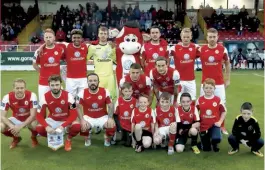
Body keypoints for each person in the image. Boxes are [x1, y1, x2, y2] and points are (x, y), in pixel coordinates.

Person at [36, 75, 80, 151]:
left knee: (77, 126)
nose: (55, 87)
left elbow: (74, 114)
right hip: (53, 120)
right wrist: (46, 126)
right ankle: (52, 137)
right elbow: (39, 115)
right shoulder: (45, 97)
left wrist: (63, 126)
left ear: (61, 84)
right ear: (49, 85)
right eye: (52, 85)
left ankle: (68, 139)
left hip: (66, 120)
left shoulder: (68, 96)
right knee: (39, 128)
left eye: (57, 85)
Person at [199, 28, 230, 135]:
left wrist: (228, 79)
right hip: (205, 83)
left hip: (219, 83)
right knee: (202, 105)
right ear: (206, 38)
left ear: (217, 37)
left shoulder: (223, 49)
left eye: (214, 37)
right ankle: (202, 126)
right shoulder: (201, 49)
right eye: (210, 37)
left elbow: (227, 63)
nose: (212, 39)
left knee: (222, 105)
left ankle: (222, 127)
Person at [76, 73, 116, 147]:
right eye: (90, 81)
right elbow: (77, 107)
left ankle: (107, 138)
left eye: (95, 80)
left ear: (98, 82)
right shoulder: (82, 93)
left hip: (102, 117)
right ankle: (87, 138)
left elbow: (111, 105)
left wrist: (110, 118)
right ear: (87, 82)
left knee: (112, 126)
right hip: (88, 117)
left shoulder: (105, 91)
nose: (93, 83)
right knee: (80, 126)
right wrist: (82, 119)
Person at [1, 79, 39, 149]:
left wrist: (20, 126)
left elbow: (33, 115)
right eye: (17, 88)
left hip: (29, 118)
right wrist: (12, 126)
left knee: (35, 125)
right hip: (16, 118)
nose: (19, 90)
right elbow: (2, 116)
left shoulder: (32, 95)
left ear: (25, 88)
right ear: (13, 89)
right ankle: (16, 138)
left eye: (22, 88)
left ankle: (33, 137)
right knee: (1, 126)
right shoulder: (7, 97)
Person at [32, 28, 65, 101]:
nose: (48, 39)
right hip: (43, 83)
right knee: (42, 103)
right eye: (46, 37)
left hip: (56, 82)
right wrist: (43, 73)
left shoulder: (60, 49)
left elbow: (66, 58)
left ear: (54, 38)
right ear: (43, 38)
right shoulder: (39, 51)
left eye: (50, 37)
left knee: (59, 103)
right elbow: (34, 65)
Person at [171, 28, 200, 105]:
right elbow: (165, 56)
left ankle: (191, 116)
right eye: (184, 37)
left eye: (188, 37)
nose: (186, 39)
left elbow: (206, 55)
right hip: (179, 80)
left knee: (192, 101)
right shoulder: (174, 48)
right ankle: (178, 117)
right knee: (178, 102)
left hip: (191, 80)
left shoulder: (196, 47)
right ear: (181, 37)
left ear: (191, 37)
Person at [196, 78, 227, 152]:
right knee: (206, 149)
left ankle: (214, 142)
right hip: (203, 127)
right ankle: (203, 143)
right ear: (203, 88)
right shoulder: (199, 100)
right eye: (206, 88)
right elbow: (195, 112)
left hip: (214, 126)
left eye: (211, 88)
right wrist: (197, 123)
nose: (208, 90)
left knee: (217, 138)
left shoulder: (218, 100)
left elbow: (224, 111)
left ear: (214, 88)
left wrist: (220, 122)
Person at [87, 26, 117, 101]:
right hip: (98, 77)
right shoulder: (92, 48)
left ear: (107, 35)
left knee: (111, 99)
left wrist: (113, 49)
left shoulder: (111, 47)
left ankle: (110, 113)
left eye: (105, 33)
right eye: (101, 33)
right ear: (98, 35)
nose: (103, 35)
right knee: (98, 99)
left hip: (110, 77)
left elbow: (116, 61)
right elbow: (86, 59)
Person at [59, 29, 89, 98]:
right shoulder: (66, 46)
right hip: (70, 79)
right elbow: (52, 43)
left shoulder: (86, 47)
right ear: (71, 38)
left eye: (78, 38)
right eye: (74, 37)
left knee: (82, 99)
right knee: (70, 100)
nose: (76, 39)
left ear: (81, 38)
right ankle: (72, 109)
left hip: (83, 79)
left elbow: (96, 43)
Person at [114, 82, 137, 147]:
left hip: (130, 125)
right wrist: (118, 126)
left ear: (132, 91)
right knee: (118, 140)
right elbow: (115, 115)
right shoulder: (119, 100)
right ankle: (118, 135)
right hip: (121, 125)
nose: (128, 93)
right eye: (126, 91)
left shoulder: (135, 101)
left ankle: (128, 137)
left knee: (128, 144)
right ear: (122, 91)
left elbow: (137, 115)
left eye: (129, 91)